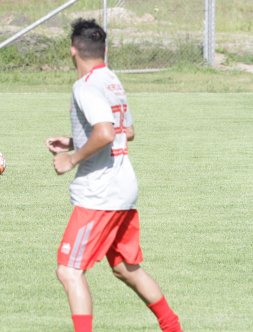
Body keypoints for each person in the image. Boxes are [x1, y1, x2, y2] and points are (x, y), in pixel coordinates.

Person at [45, 19, 182, 332]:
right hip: (123, 186)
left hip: (99, 193)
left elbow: (106, 133)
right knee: (125, 268)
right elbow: (126, 132)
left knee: (69, 271)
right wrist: (73, 141)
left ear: (72, 52)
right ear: (103, 50)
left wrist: (72, 158)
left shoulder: (85, 86)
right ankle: (172, 327)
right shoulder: (111, 80)